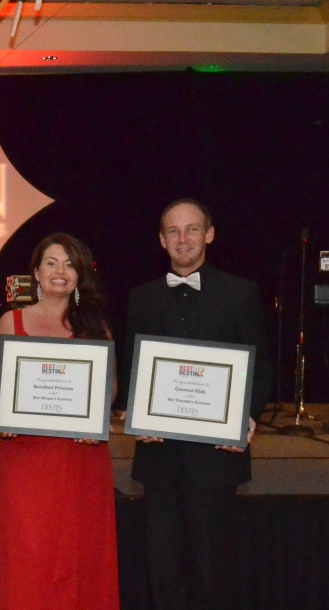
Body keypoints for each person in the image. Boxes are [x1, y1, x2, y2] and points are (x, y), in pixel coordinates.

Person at [120, 198, 274, 610]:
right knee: (162, 569)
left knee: (213, 570)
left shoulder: (241, 293)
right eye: (173, 230)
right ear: (161, 239)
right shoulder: (141, 297)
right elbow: (132, 368)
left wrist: (248, 415)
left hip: (216, 455)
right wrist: (135, 414)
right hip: (159, 457)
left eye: (191, 229)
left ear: (209, 234)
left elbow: (260, 366)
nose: (182, 238)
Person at [0, 233, 119, 610]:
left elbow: (109, 390)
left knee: (81, 557)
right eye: (51, 262)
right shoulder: (10, 322)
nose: (60, 272)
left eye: (69, 264)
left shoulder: (95, 326)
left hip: (81, 459)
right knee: (28, 557)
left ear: (80, 274)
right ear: (36, 271)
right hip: (26, 461)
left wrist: (95, 415)